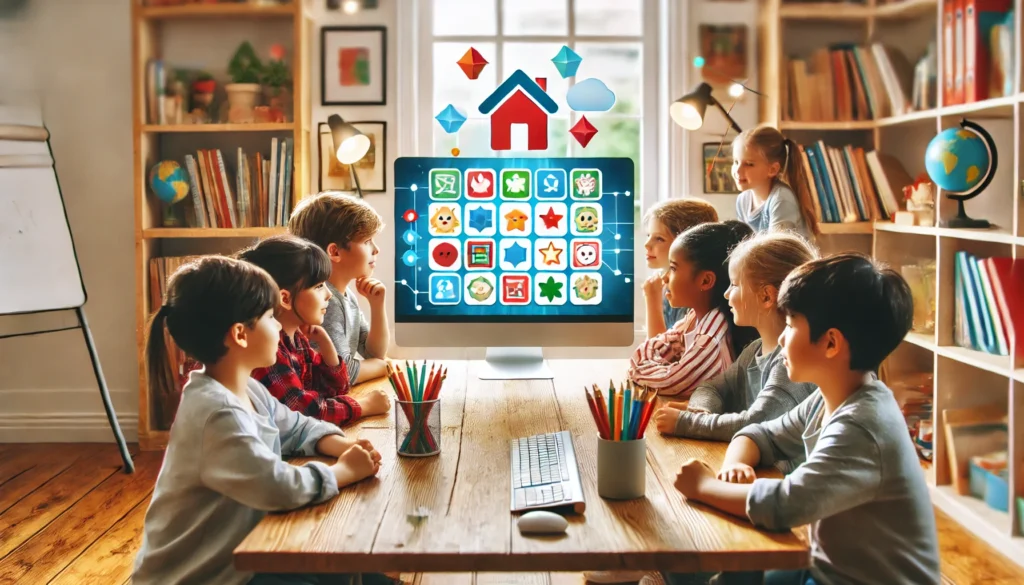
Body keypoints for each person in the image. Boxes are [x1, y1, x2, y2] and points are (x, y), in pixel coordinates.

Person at [667, 253, 940, 585]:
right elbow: (759, 433)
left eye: (792, 323)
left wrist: (704, 486)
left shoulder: (861, 425)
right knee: (713, 567)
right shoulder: (829, 397)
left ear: (830, 343)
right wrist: (737, 464)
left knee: (693, 566)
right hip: (826, 566)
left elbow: (786, 504)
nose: (782, 337)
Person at [132, 256, 388, 585]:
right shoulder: (217, 413)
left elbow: (296, 426)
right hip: (204, 576)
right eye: (270, 317)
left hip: (238, 556)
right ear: (240, 334)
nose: (280, 327)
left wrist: (343, 446)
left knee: (364, 574)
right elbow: (277, 487)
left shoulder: (247, 387)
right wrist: (344, 471)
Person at [653, 231, 818, 442]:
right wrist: (700, 411)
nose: (726, 293)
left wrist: (688, 422)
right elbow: (711, 388)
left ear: (766, 296)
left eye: (734, 284)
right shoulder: (753, 351)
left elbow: (756, 422)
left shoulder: (790, 362)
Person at [240, 234, 390, 427]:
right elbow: (306, 413)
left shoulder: (297, 339)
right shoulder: (269, 349)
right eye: (319, 286)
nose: (328, 294)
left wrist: (327, 347)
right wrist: (364, 406)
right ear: (285, 299)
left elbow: (337, 389)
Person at [628, 221, 758, 397]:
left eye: (673, 268)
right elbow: (658, 345)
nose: (665, 278)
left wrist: (641, 366)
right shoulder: (694, 319)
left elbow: (670, 382)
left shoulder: (711, 337)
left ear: (705, 281)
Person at [289, 191, 390, 385]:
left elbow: (373, 352)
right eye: (367, 241)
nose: (376, 250)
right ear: (335, 251)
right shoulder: (325, 301)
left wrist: (377, 306)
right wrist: (383, 366)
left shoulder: (343, 294)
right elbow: (345, 373)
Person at [642, 198, 719, 339]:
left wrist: (652, 300)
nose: (647, 244)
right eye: (648, 236)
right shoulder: (664, 282)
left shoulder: (689, 290)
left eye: (659, 238)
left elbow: (661, 352)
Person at [731, 125, 819, 241]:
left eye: (749, 164)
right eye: (736, 162)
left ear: (772, 170)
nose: (737, 170)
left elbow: (776, 254)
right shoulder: (743, 201)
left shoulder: (781, 199)